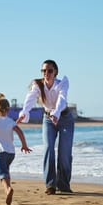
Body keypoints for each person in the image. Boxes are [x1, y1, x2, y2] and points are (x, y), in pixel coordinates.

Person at [17, 60, 75, 195]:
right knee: (49, 148)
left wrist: (57, 113)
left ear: (55, 72)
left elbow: (62, 99)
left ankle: (64, 184)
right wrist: (24, 112)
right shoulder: (38, 85)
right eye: (44, 71)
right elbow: (30, 98)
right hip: (48, 119)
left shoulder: (62, 83)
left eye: (49, 70)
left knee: (64, 152)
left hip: (65, 118)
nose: (46, 73)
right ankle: (50, 185)